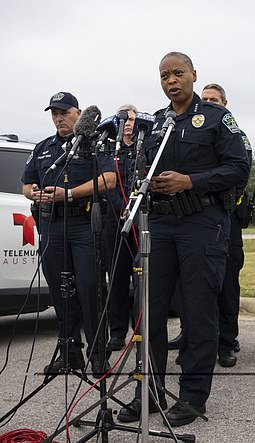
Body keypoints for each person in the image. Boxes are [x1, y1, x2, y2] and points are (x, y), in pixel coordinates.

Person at [117, 52, 250, 427]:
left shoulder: (216, 118)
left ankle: (192, 398)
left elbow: (238, 168)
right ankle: (150, 392)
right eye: (164, 75)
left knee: (198, 311)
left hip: (201, 222)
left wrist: (191, 180)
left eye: (178, 73)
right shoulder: (157, 123)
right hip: (158, 222)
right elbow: (137, 166)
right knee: (149, 312)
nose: (171, 81)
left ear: (193, 74)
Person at [22, 92, 116, 377]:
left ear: (78, 112)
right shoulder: (44, 147)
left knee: (90, 289)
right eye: (54, 113)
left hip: (83, 222)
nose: (58, 118)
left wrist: (70, 193)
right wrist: (35, 194)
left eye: (64, 112)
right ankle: (69, 353)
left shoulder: (94, 144)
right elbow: (26, 184)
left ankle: (98, 354)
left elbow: (109, 180)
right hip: (52, 225)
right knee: (60, 293)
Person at [201, 83, 252, 367]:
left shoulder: (236, 135)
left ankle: (226, 342)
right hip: (198, 218)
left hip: (226, 215)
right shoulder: (196, 131)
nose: (209, 103)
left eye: (214, 100)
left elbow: (238, 174)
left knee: (227, 283)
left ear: (225, 103)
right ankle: (192, 336)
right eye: (205, 99)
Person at [104, 104, 138, 352]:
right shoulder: (107, 149)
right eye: (123, 119)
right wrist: (120, 208)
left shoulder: (145, 149)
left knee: (142, 279)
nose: (127, 123)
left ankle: (142, 330)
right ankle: (117, 333)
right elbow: (107, 184)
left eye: (132, 119)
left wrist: (133, 208)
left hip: (139, 221)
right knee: (116, 280)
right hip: (114, 222)